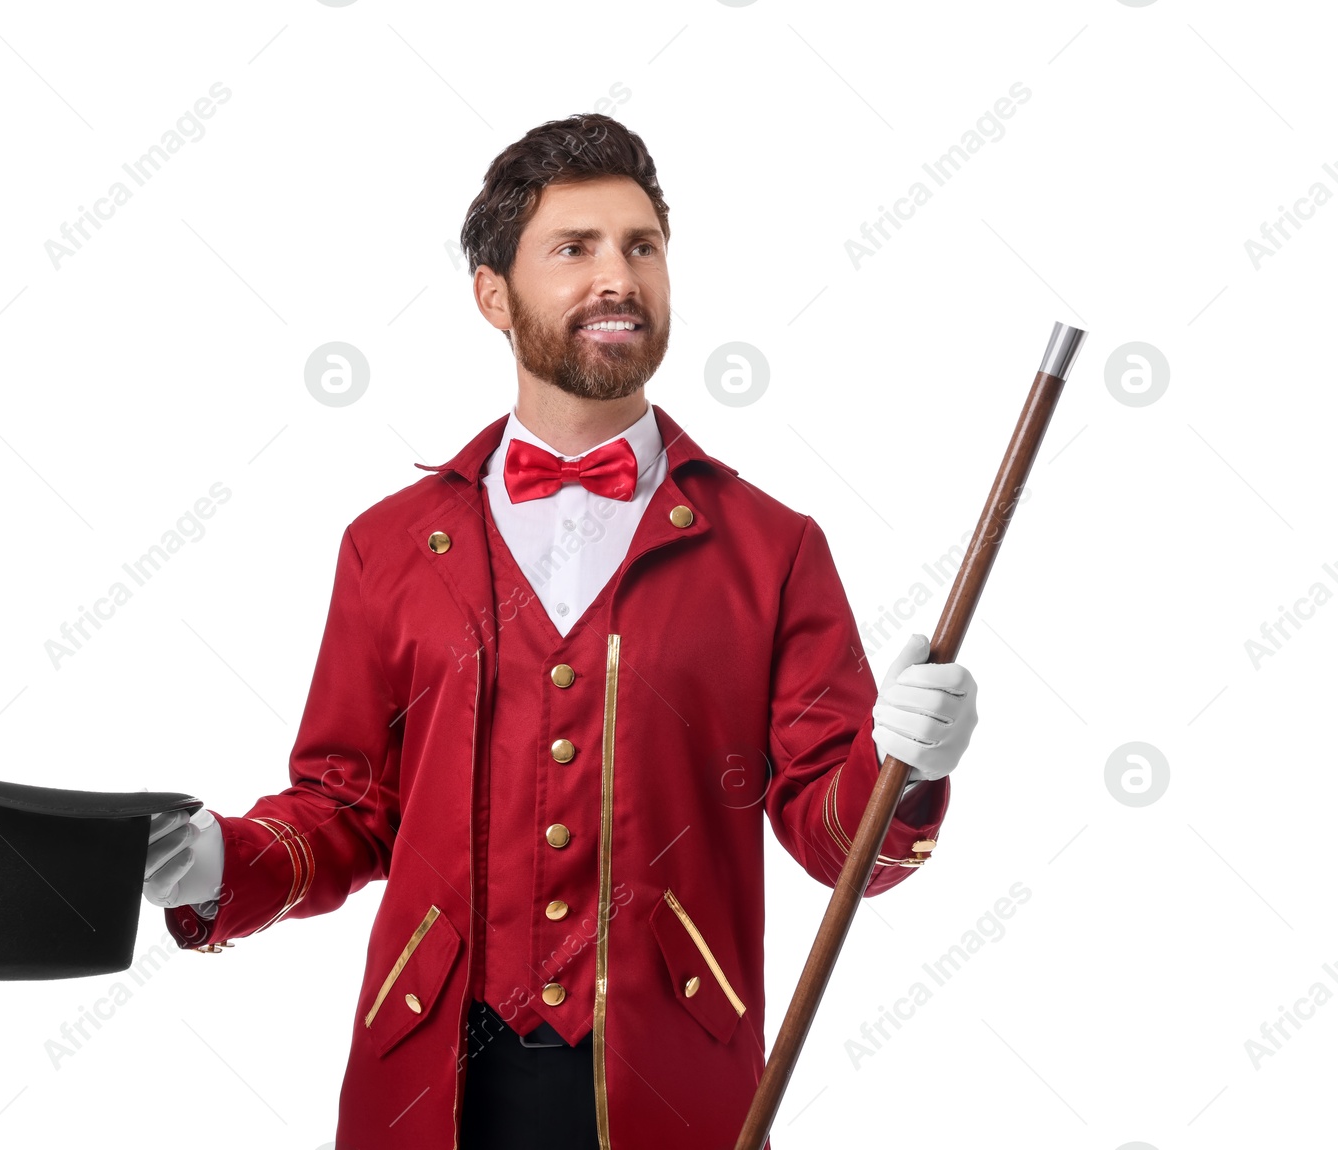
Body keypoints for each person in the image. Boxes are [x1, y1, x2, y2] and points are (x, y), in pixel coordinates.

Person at [142, 113, 978, 1150]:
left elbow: (837, 839)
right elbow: (348, 808)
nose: (616, 276)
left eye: (641, 246)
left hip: (673, 1078)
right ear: (493, 295)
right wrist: (219, 860)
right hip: (431, 1075)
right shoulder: (388, 546)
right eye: (573, 248)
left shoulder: (773, 549)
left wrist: (904, 760)